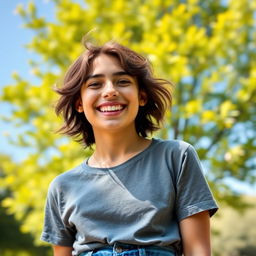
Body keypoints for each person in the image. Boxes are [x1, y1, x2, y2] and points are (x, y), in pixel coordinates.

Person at [41, 40, 218, 256]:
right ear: (79, 103)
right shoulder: (62, 188)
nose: (110, 91)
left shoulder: (176, 157)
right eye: (95, 84)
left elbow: (198, 251)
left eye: (122, 81)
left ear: (141, 96)